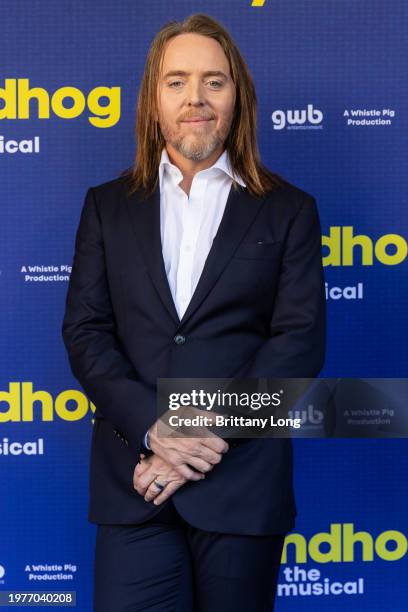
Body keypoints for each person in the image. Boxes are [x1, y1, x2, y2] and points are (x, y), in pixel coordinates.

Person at [62, 12, 326, 612]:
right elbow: (86, 332)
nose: (196, 99)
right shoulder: (107, 207)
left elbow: (299, 344)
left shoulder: (289, 210)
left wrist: (200, 436)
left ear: (239, 97)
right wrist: (156, 429)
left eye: (214, 81)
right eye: (177, 81)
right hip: (136, 482)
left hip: (241, 485)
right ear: (153, 99)